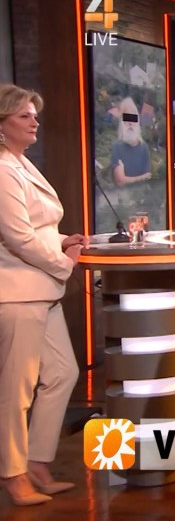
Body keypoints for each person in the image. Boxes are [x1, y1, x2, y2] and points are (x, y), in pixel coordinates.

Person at [0, 84, 84, 506]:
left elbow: (39, 226)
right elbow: (17, 237)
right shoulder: (1, 169)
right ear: (2, 125)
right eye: (24, 116)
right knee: (16, 390)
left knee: (63, 373)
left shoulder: (21, 163)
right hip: (18, 293)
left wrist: (63, 238)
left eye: (35, 115)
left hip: (42, 289)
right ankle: (13, 475)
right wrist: (64, 262)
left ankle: (35, 460)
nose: (35, 122)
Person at [110, 96, 151, 186]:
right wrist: (142, 178)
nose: (130, 123)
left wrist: (128, 179)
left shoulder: (144, 147)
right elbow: (120, 181)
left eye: (133, 118)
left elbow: (148, 177)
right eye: (127, 118)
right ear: (121, 123)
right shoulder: (117, 147)